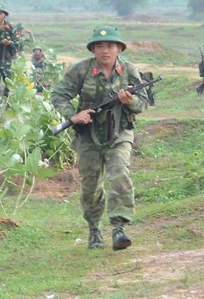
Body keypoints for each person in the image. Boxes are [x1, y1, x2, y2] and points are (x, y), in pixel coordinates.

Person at [50, 26, 148, 251]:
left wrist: (129, 101)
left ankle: (119, 228)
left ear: (119, 49)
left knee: (119, 174)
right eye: (100, 46)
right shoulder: (81, 70)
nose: (106, 51)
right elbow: (59, 94)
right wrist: (74, 115)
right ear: (93, 49)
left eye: (111, 46)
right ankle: (94, 229)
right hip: (89, 136)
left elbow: (142, 104)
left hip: (119, 133)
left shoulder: (129, 71)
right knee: (91, 185)